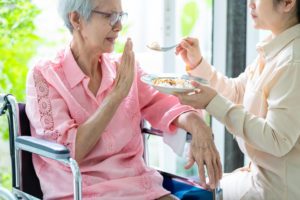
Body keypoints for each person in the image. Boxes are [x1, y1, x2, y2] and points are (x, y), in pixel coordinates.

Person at [25, 0, 222, 199]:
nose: (118, 26)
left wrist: (198, 125)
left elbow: (163, 103)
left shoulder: (123, 68)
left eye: (120, 16)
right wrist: (116, 96)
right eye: (109, 16)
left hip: (140, 187)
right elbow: (70, 152)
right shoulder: (45, 76)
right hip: (81, 191)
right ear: (76, 19)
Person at [175, 0, 300, 199]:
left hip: (275, 191)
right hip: (257, 179)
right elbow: (238, 92)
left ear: (287, 3)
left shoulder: (293, 61)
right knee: (189, 191)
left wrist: (212, 102)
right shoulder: (275, 46)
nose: (249, 3)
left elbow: (277, 139)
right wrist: (198, 64)